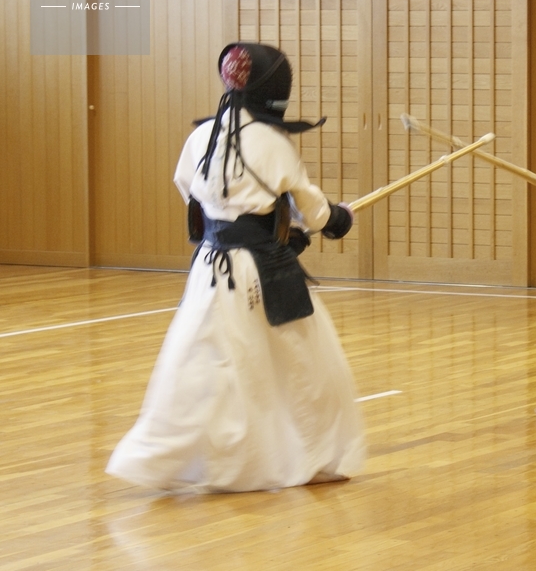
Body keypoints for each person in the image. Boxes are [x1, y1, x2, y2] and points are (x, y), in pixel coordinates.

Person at [107, 42, 366, 492]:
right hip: (258, 273)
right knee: (301, 362)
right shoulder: (272, 143)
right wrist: (336, 219)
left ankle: (194, 456)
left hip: (210, 266)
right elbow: (314, 211)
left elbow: (192, 190)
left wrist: (262, 228)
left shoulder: (202, 136)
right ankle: (306, 454)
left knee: (203, 359)